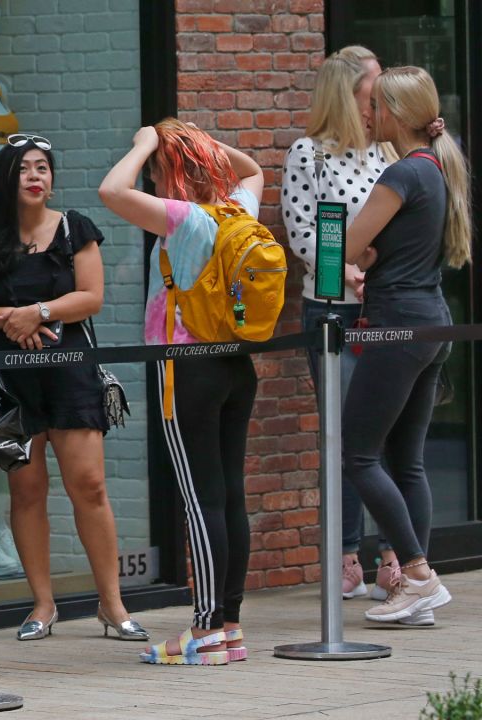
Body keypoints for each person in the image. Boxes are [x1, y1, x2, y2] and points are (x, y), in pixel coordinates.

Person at [0, 134, 149, 645]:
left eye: (43, 168)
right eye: (25, 168)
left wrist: (41, 312)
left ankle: (112, 604)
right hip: (11, 379)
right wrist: (13, 318)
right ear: (7, 178)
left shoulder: (75, 228)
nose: (35, 176)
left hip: (71, 372)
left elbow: (90, 298)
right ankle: (42, 604)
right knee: (27, 491)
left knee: (89, 485)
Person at [100, 119, 265, 665]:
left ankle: (204, 632)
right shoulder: (239, 208)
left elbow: (111, 192)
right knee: (230, 498)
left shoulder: (185, 218)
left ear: (170, 172)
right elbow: (255, 168)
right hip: (237, 366)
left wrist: (148, 140)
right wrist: (200, 143)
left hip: (186, 369)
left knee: (201, 502)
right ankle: (231, 627)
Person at [282, 46, 410, 609]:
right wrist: (349, 271)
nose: (380, 98)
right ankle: (346, 555)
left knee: (384, 435)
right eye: (373, 89)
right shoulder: (308, 155)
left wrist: (378, 267)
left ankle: (395, 556)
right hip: (333, 307)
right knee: (344, 436)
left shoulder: (389, 151)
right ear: (347, 93)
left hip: (384, 307)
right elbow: (301, 233)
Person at [342, 66, 470, 625]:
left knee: (358, 454)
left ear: (394, 113)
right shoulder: (435, 168)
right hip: (429, 321)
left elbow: (346, 242)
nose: (367, 115)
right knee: (407, 462)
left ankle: (416, 575)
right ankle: (417, 590)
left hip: (398, 324)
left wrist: (363, 257)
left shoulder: (401, 173)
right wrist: (373, 259)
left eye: (374, 107)